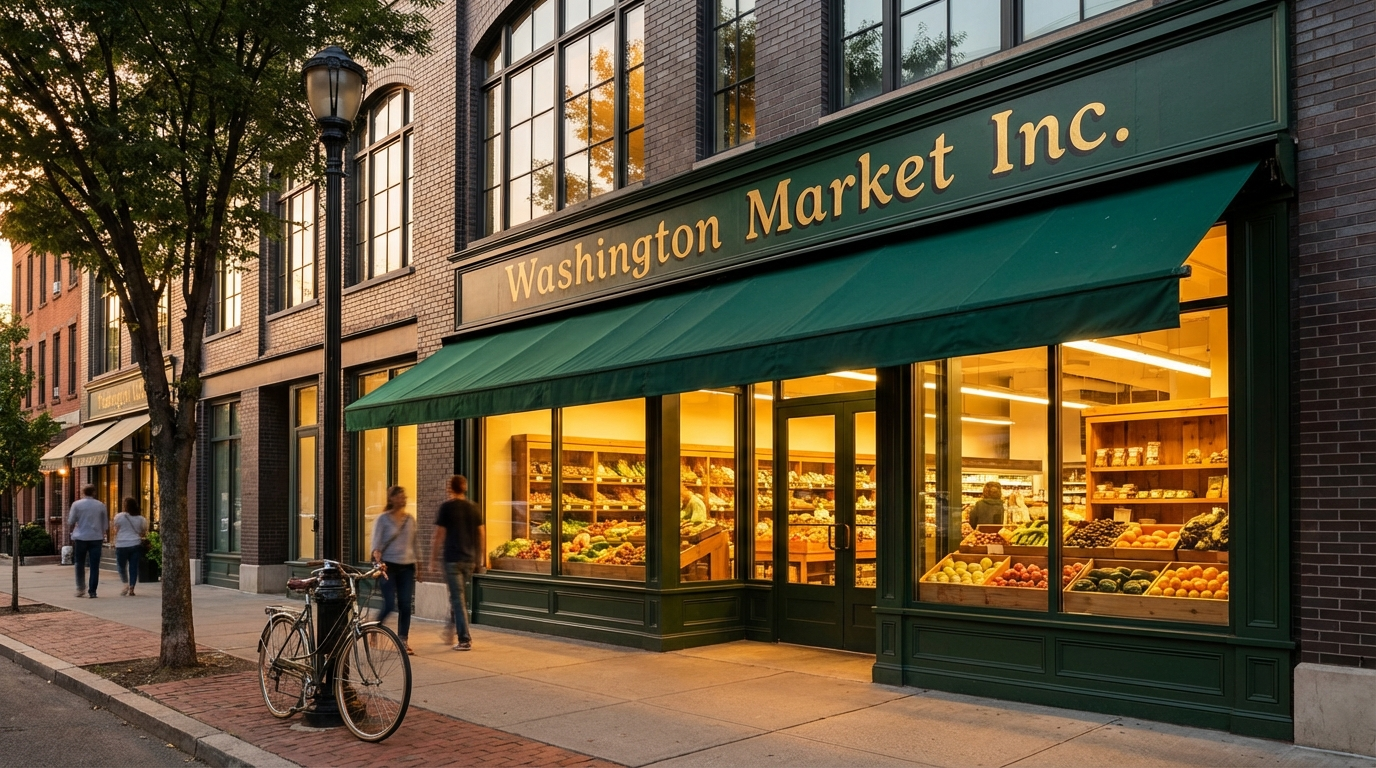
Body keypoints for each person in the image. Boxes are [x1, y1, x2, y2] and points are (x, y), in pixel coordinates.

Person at [431, 475, 484, 651]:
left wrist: (433, 558)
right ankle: (450, 629)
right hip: (469, 559)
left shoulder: (446, 508)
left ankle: (464, 639)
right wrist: (481, 557)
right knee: (457, 597)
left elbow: (439, 535)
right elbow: (481, 533)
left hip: (452, 559)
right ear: (464, 487)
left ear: (450, 488)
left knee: (458, 599)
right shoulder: (473, 508)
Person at [371, 486, 418, 655]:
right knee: (389, 603)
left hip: (407, 567)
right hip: (388, 567)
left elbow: (414, 544)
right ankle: (375, 628)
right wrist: (378, 561)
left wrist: (418, 567)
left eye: (404, 496)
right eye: (399, 497)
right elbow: (376, 545)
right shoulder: (382, 519)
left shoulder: (410, 519)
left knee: (405, 604)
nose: (403, 499)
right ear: (391, 499)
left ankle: (402, 641)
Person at [68, 485, 109, 598]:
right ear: (94, 492)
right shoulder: (100, 505)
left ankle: (80, 588)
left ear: (83, 492)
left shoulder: (76, 504)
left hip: (81, 537)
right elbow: (105, 524)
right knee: (94, 565)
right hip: (96, 537)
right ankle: (92, 591)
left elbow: (71, 520)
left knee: (79, 563)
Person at [112, 497, 148, 596]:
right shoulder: (141, 519)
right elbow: (143, 531)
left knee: (121, 566)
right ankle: (132, 587)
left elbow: (115, 530)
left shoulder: (119, 517)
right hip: (135, 544)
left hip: (121, 544)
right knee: (133, 567)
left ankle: (125, 584)